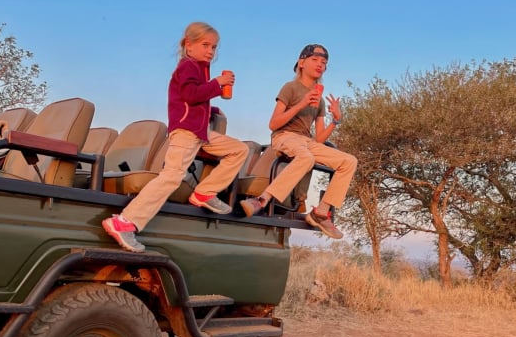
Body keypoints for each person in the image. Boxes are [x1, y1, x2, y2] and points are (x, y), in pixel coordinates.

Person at [103, 22, 248, 252]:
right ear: (188, 45)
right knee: (171, 176)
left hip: (200, 132)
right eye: (205, 45)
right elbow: (190, 95)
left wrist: (211, 110)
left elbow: (190, 100)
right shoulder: (188, 66)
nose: (211, 51)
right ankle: (125, 222)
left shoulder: (199, 69)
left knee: (239, 149)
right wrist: (217, 85)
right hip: (186, 132)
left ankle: (204, 192)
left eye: (214, 47)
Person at [240, 44, 357, 239]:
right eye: (315, 60)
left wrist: (335, 120)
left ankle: (320, 212)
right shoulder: (290, 87)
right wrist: (302, 103)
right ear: (301, 63)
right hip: (284, 136)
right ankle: (262, 200)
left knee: (349, 161)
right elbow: (273, 123)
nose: (320, 65)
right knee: (306, 157)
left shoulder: (319, 101)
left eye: (324, 62)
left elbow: (319, 138)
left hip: (307, 140)